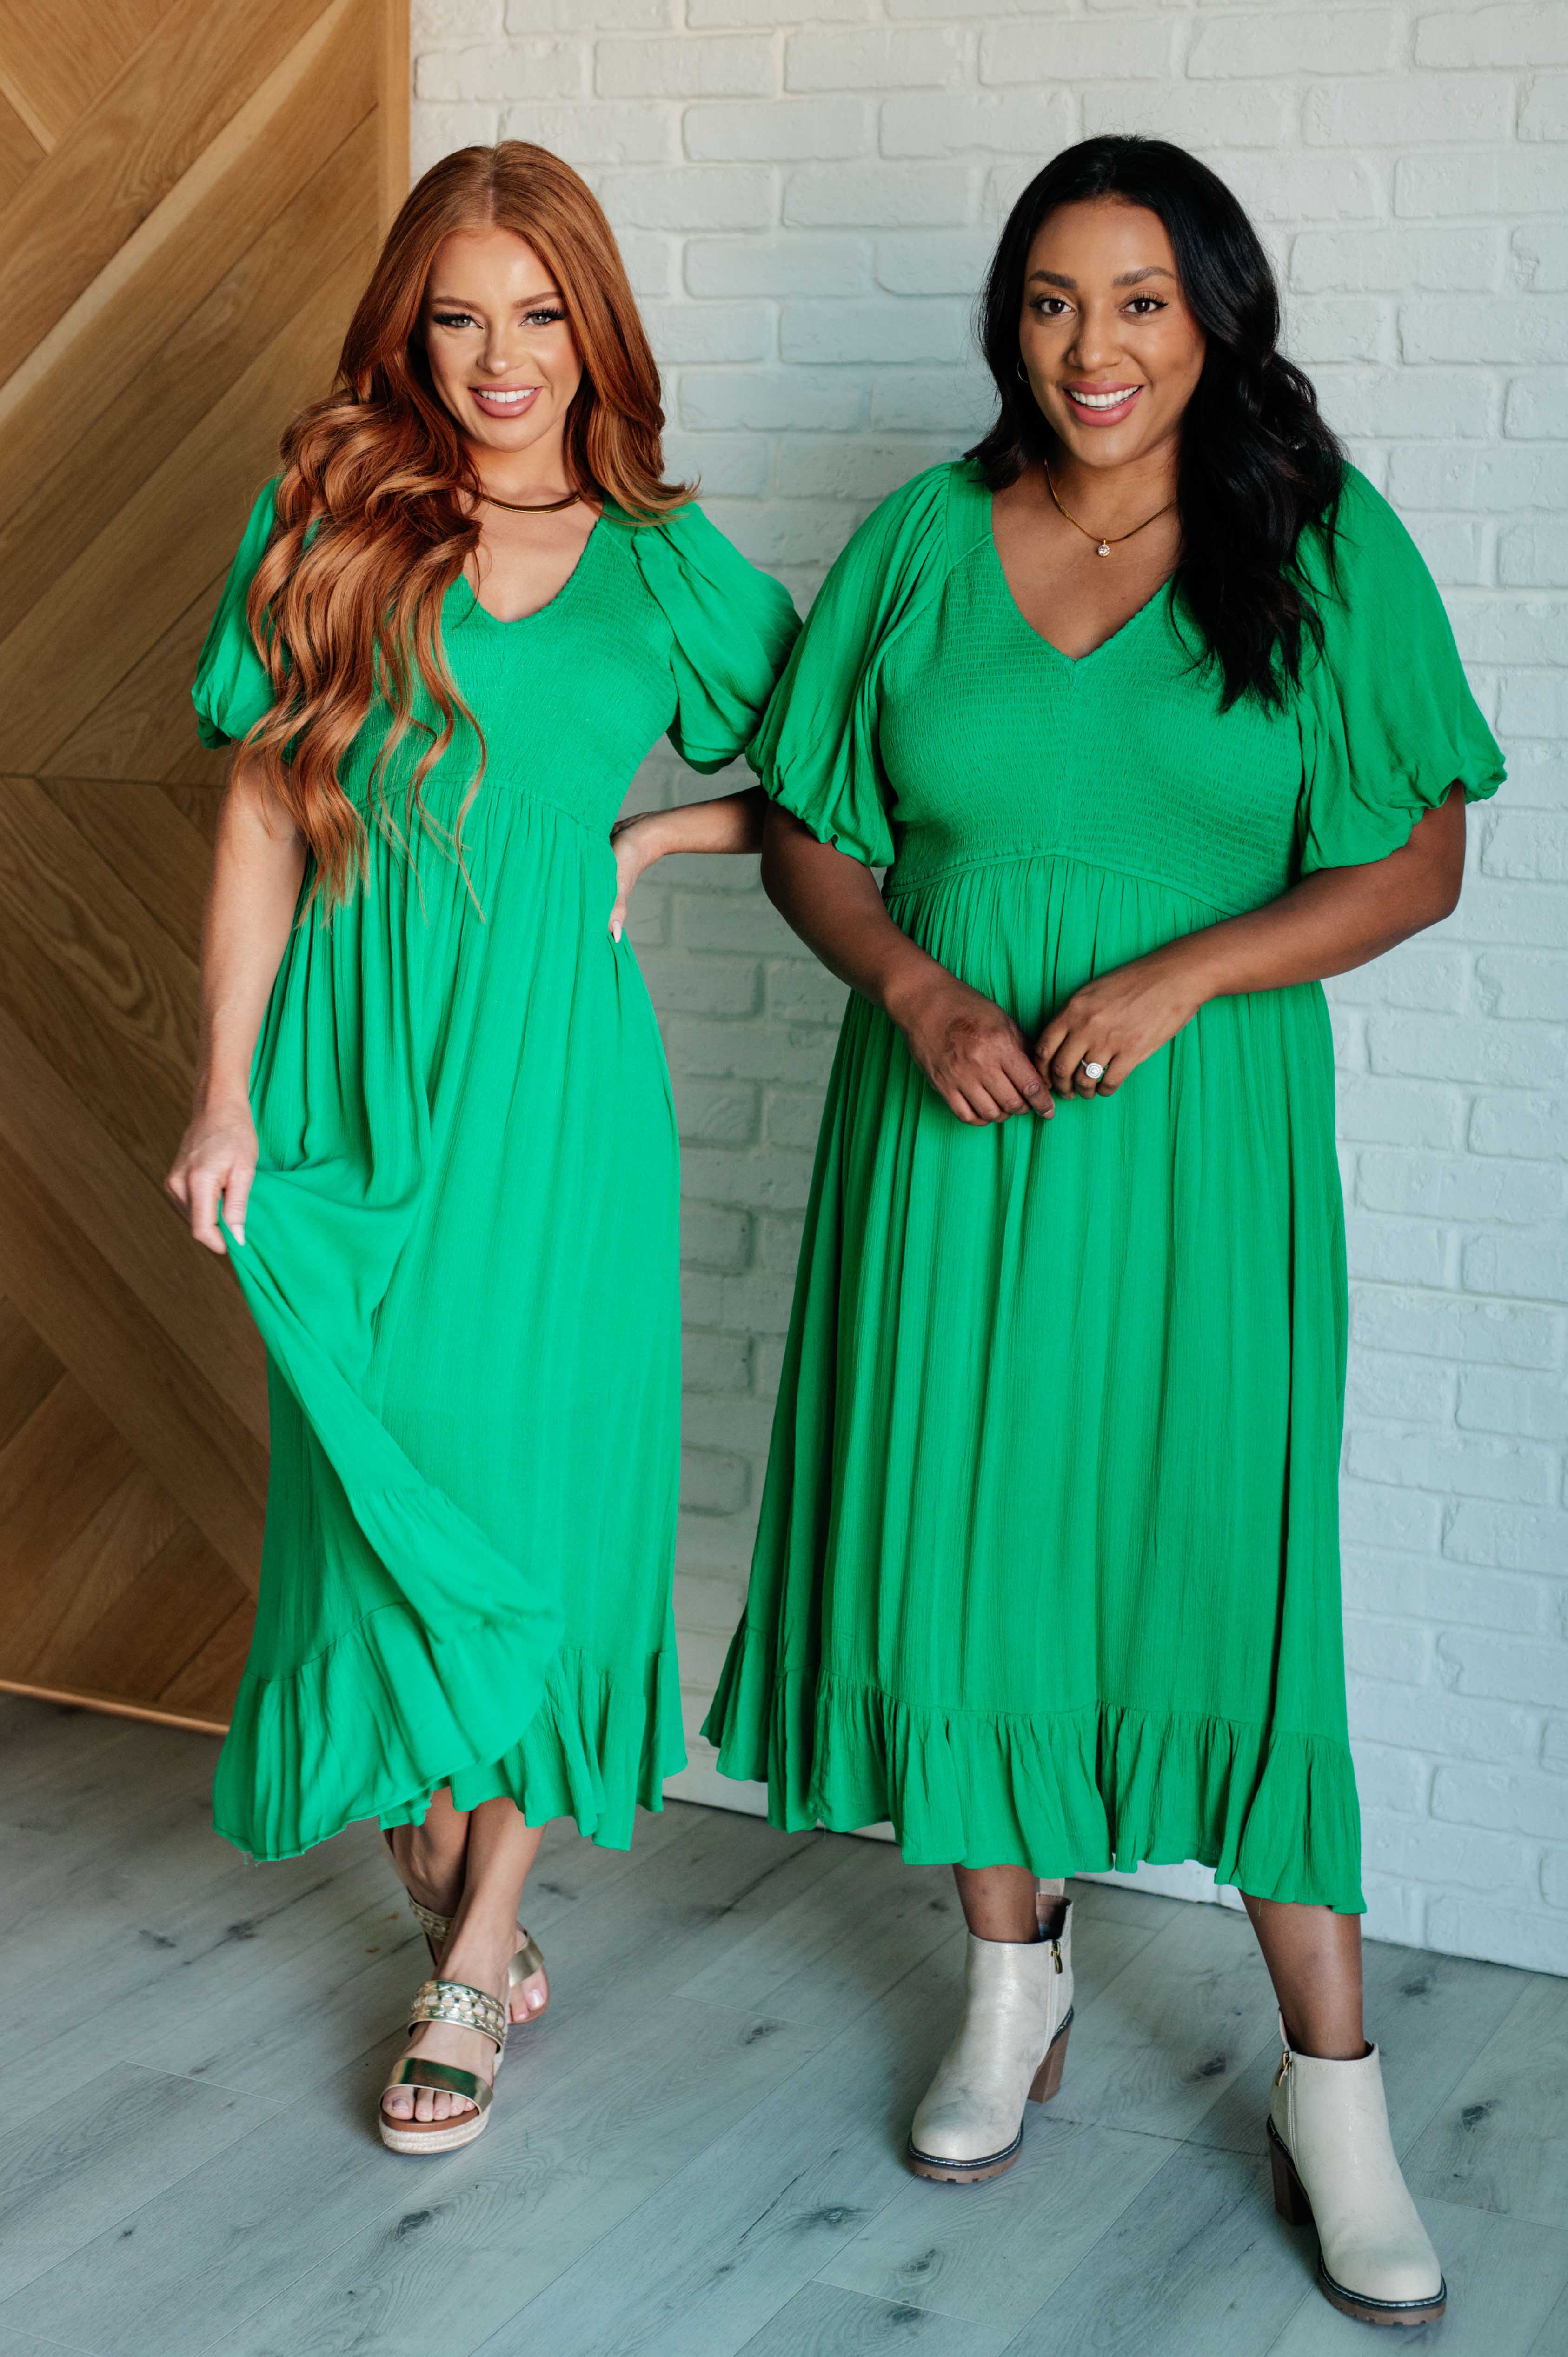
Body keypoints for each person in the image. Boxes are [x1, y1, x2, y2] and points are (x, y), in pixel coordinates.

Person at [704, 135, 1501, 2328]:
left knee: (1224, 1568)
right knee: (959, 1549)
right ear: (1011, 322)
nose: (1094, 345)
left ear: (1216, 315)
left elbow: (1418, 858)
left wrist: (1186, 972)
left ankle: (1332, 2087)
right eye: (1053, 299)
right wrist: (913, 988)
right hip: (947, 1130)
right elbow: (813, 827)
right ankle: (1011, 1984)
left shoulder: (1316, 542)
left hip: (1195, 1146)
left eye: (1141, 298)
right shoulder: (921, 539)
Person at [166, 140, 797, 2155]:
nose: (500, 356)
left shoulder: (664, 561)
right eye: (458, 316)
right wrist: (224, 1088)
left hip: (556, 1107)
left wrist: (661, 833)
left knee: (544, 1502)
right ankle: (455, 1869)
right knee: (377, 1509)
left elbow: (853, 768)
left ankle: (476, 1951)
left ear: (593, 329)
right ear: (409, 329)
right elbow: (261, 813)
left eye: (538, 314)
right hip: (350, 1081)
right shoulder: (329, 517)